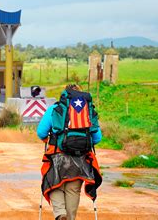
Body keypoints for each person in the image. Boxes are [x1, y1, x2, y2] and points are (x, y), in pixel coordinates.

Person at [37, 84, 103, 220]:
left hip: (58, 156)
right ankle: (70, 218)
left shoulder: (55, 109)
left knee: (54, 184)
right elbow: (97, 138)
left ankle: (61, 213)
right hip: (80, 159)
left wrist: (49, 139)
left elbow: (41, 132)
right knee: (73, 190)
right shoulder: (87, 111)